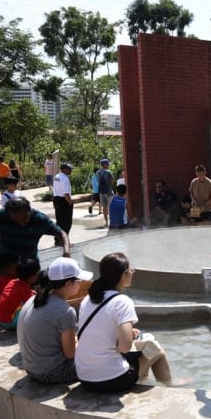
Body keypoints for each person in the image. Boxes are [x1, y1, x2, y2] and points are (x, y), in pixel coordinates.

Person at [76, 252, 176, 392]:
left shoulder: (88, 299)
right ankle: (170, 387)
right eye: (130, 270)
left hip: (84, 376)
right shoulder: (122, 302)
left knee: (142, 349)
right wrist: (128, 337)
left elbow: (98, 332)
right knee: (156, 350)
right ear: (124, 275)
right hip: (110, 380)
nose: (132, 272)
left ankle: (144, 378)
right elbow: (124, 347)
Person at [17, 257, 89, 384]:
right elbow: (70, 354)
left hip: (31, 368)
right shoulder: (65, 311)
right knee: (102, 356)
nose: (81, 283)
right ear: (68, 284)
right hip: (50, 372)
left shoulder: (38, 298)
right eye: (79, 280)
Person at [0, 196, 69, 280]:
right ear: (8, 213)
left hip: (29, 266)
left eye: (25, 217)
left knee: (32, 296)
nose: (21, 221)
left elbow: (62, 233)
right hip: (5, 266)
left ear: (30, 210)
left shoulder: (40, 219)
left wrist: (66, 251)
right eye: (16, 218)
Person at [0, 257, 40, 328]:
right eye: (37, 274)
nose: (38, 276)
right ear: (31, 277)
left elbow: (18, 292)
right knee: (34, 309)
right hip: (8, 322)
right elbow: (36, 302)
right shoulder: (27, 293)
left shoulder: (12, 282)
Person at [52, 162, 74, 243]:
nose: (71, 170)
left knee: (59, 221)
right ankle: (64, 241)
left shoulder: (57, 176)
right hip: (63, 201)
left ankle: (58, 239)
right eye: (69, 169)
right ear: (64, 169)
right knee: (66, 222)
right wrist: (70, 202)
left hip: (56, 199)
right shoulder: (65, 178)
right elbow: (66, 193)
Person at [97, 159, 115, 227]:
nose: (108, 165)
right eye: (107, 164)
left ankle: (106, 223)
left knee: (104, 208)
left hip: (101, 192)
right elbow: (112, 181)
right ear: (105, 164)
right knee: (111, 207)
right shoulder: (108, 172)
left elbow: (98, 181)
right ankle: (112, 222)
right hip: (109, 192)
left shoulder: (98, 172)